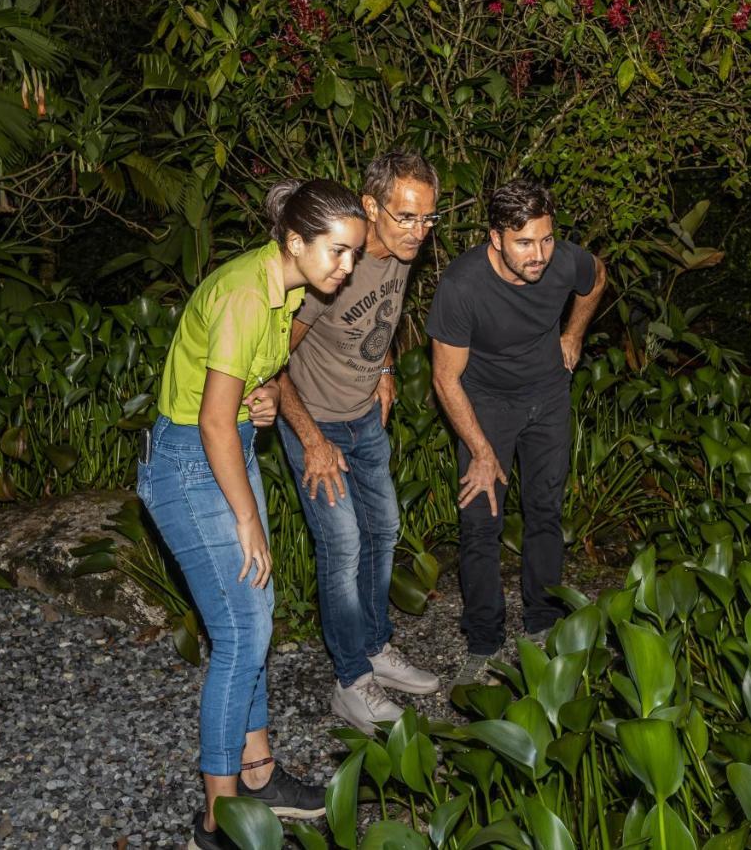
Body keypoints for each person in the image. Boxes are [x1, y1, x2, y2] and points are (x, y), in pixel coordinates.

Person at [137, 179, 367, 850]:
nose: (347, 267)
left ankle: (260, 771)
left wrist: (262, 397)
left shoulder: (290, 286)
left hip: (227, 445)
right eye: (338, 251)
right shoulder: (247, 290)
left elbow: (240, 386)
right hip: (190, 460)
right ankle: (219, 823)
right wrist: (244, 516)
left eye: (353, 253)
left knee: (255, 612)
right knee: (241, 629)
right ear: (295, 241)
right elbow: (210, 417)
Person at [276, 152, 442, 733]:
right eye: (406, 217)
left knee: (385, 528)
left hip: (365, 419)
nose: (418, 232)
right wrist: (312, 441)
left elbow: (380, 319)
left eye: (428, 220)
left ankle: (375, 647)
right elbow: (270, 360)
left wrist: (388, 364)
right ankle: (351, 681)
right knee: (343, 542)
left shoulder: (396, 252)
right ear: (370, 207)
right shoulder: (329, 272)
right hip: (314, 425)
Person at [427, 178, 607, 687]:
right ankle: (484, 640)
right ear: (496, 238)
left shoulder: (562, 259)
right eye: (525, 242)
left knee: (546, 509)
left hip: (549, 397)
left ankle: (544, 620)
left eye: (546, 239)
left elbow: (596, 278)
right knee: (481, 520)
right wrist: (482, 450)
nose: (539, 254)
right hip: (486, 405)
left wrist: (573, 333)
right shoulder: (463, 286)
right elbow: (445, 378)